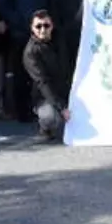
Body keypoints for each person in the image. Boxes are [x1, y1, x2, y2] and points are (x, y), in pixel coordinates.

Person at [0, 0, 52, 123]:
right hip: (20, 33)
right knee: (21, 74)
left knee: (42, 73)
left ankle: (41, 108)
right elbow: (4, 6)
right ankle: (22, 111)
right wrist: (24, 24)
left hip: (43, 33)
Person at [22, 10, 70, 143]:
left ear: (52, 26)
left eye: (46, 25)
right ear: (32, 28)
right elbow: (43, 83)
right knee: (51, 117)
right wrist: (61, 107)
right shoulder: (30, 53)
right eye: (38, 26)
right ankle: (45, 128)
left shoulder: (61, 39)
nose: (43, 30)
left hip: (68, 88)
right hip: (45, 96)